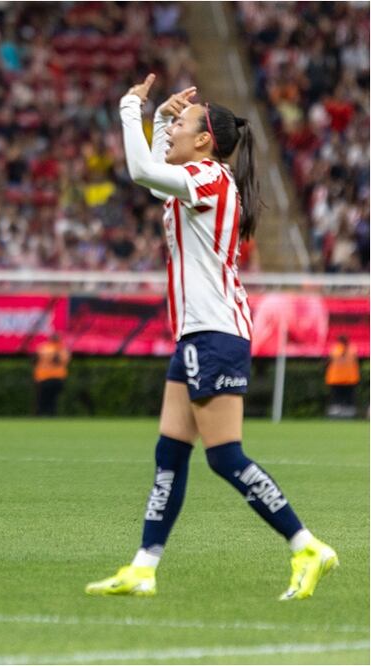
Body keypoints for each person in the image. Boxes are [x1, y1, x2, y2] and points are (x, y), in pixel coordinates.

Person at [86, 75, 337, 600]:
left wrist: (130, 107)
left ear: (204, 140)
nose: (175, 129)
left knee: (225, 456)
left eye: (182, 124)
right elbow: (156, 180)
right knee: (170, 453)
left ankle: (306, 545)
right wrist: (160, 119)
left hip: (215, 332)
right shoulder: (199, 177)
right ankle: (144, 567)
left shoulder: (208, 177)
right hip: (197, 334)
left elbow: (142, 171)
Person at [34, 333, 70, 416]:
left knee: (41, 398)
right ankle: (51, 414)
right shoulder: (63, 349)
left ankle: (40, 414)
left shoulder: (42, 348)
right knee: (53, 399)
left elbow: (35, 360)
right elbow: (63, 361)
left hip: (43, 377)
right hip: (58, 378)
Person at [325, 335, 360, 418]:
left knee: (336, 397)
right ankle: (349, 413)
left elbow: (327, 362)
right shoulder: (353, 349)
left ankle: (336, 413)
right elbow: (357, 362)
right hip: (350, 379)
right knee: (349, 397)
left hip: (336, 379)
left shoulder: (334, 349)